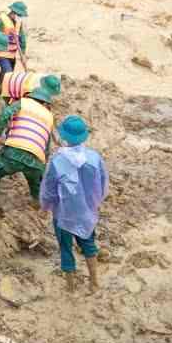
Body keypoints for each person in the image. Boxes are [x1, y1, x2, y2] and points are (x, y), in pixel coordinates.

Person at [40, 115, 109, 293]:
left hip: (62, 213)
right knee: (88, 244)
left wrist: (45, 207)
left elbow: (49, 189)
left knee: (65, 247)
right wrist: (95, 203)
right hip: (86, 211)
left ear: (64, 137)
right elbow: (102, 184)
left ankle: (70, 287)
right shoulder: (94, 158)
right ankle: (94, 282)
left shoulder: (57, 160)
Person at [0, 75, 62, 204]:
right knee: (35, 184)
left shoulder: (22, 103)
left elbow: (5, 115)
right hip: (36, 159)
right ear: (46, 102)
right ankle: (36, 201)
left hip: (13, 153)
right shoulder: (49, 117)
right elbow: (46, 145)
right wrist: (42, 165)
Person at [0, 2, 28, 76]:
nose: (20, 17)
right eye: (19, 15)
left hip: (12, 54)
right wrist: (9, 38)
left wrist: (23, 54)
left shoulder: (18, 23)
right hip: (1, 53)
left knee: (5, 75)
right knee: (8, 73)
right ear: (13, 12)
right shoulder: (1, 21)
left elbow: (22, 38)